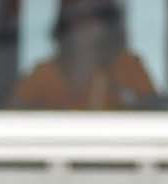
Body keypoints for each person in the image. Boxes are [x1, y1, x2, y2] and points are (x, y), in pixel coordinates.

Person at [11, 0, 155, 111]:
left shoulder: (128, 68)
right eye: (80, 18)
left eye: (100, 16)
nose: (92, 27)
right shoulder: (45, 74)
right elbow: (12, 120)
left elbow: (156, 115)